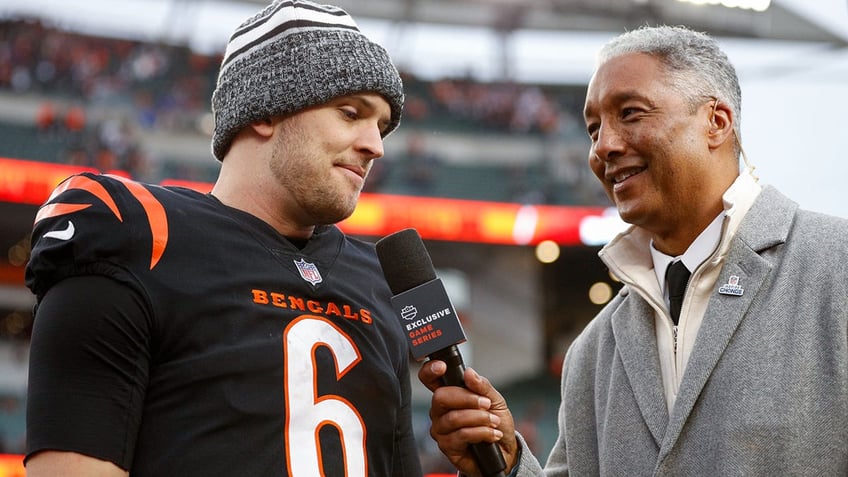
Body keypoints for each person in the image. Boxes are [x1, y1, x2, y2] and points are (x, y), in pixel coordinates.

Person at [419, 24, 848, 476]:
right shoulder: (593, 350)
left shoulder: (836, 268)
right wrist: (508, 465)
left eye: (631, 113)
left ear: (716, 123)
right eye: (592, 129)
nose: (604, 145)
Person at [23, 1, 423, 476]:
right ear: (267, 110)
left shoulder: (379, 281)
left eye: (381, 127)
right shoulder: (144, 237)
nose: (374, 146)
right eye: (350, 112)